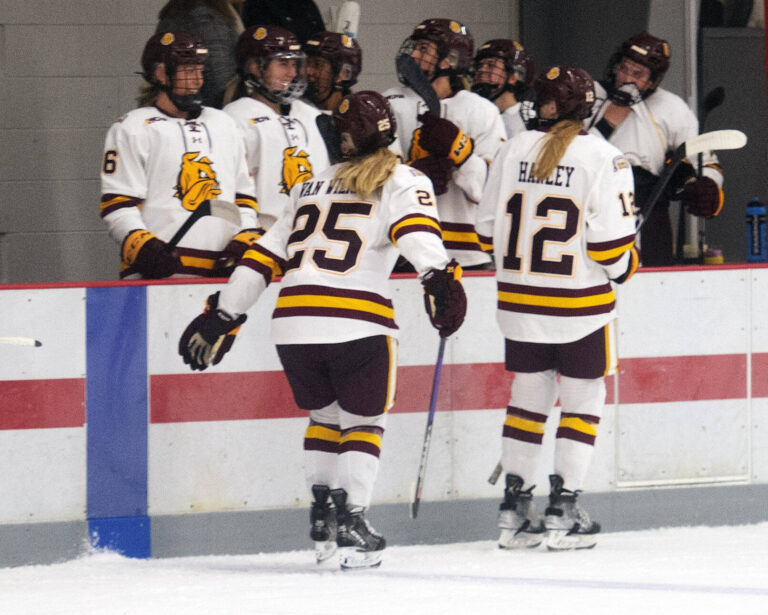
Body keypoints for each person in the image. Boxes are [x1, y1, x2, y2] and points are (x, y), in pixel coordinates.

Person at [178, 91, 467, 569]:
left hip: (292, 324)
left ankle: (322, 517)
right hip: (358, 320)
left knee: (325, 419)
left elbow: (261, 259)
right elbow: (418, 236)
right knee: (363, 424)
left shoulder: (307, 187)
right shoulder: (404, 179)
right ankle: (352, 517)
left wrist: (224, 314)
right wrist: (439, 279)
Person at [476, 66, 639, 551]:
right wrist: (629, 261)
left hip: (519, 302)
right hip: (580, 308)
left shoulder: (511, 148)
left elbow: (485, 232)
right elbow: (612, 252)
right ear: (587, 108)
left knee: (528, 402)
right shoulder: (605, 157)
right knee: (583, 403)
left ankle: (514, 512)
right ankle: (563, 511)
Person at [100, 31, 260, 280]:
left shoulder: (225, 124)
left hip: (219, 276)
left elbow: (244, 199)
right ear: (161, 73)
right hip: (155, 275)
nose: (197, 80)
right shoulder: (131, 128)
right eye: (188, 71)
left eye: (200, 70)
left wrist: (244, 241)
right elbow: (118, 205)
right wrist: (142, 247)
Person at [586, 31, 724, 266]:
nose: (626, 78)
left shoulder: (671, 107)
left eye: (637, 74)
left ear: (653, 81)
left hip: (649, 210)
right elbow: (570, 151)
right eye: (623, 68)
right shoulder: (591, 95)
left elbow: (704, 160)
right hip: (593, 205)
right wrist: (608, 122)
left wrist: (706, 184)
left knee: (657, 278)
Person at [384, 18, 507, 269]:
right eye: (415, 47)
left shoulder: (482, 110)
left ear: (448, 60)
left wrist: (461, 154)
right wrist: (413, 174)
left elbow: (492, 189)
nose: (414, 54)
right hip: (403, 246)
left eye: (424, 49)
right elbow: (376, 174)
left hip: (466, 252)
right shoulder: (389, 101)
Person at [224, 25, 331, 231]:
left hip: (315, 237)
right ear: (256, 67)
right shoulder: (234, 118)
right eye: (283, 64)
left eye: (295, 64)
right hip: (263, 239)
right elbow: (232, 190)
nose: (292, 73)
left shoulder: (313, 115)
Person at [156, 0, 245, 109]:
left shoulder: (188, 9)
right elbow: (220, 85)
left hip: (187, 110)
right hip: (202, 113)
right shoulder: (205, 18)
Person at [472, 39, 535, 139]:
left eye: (491, 65)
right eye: (479, 65)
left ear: (513, 77)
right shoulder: (478, 113)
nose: (482, 70)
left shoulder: (526, 122)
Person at [303, 31, 362, 112]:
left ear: (342, 74)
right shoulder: (292, 111)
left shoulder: (357, 118)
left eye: (318, 64)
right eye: (306, 63)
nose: (308, 71)